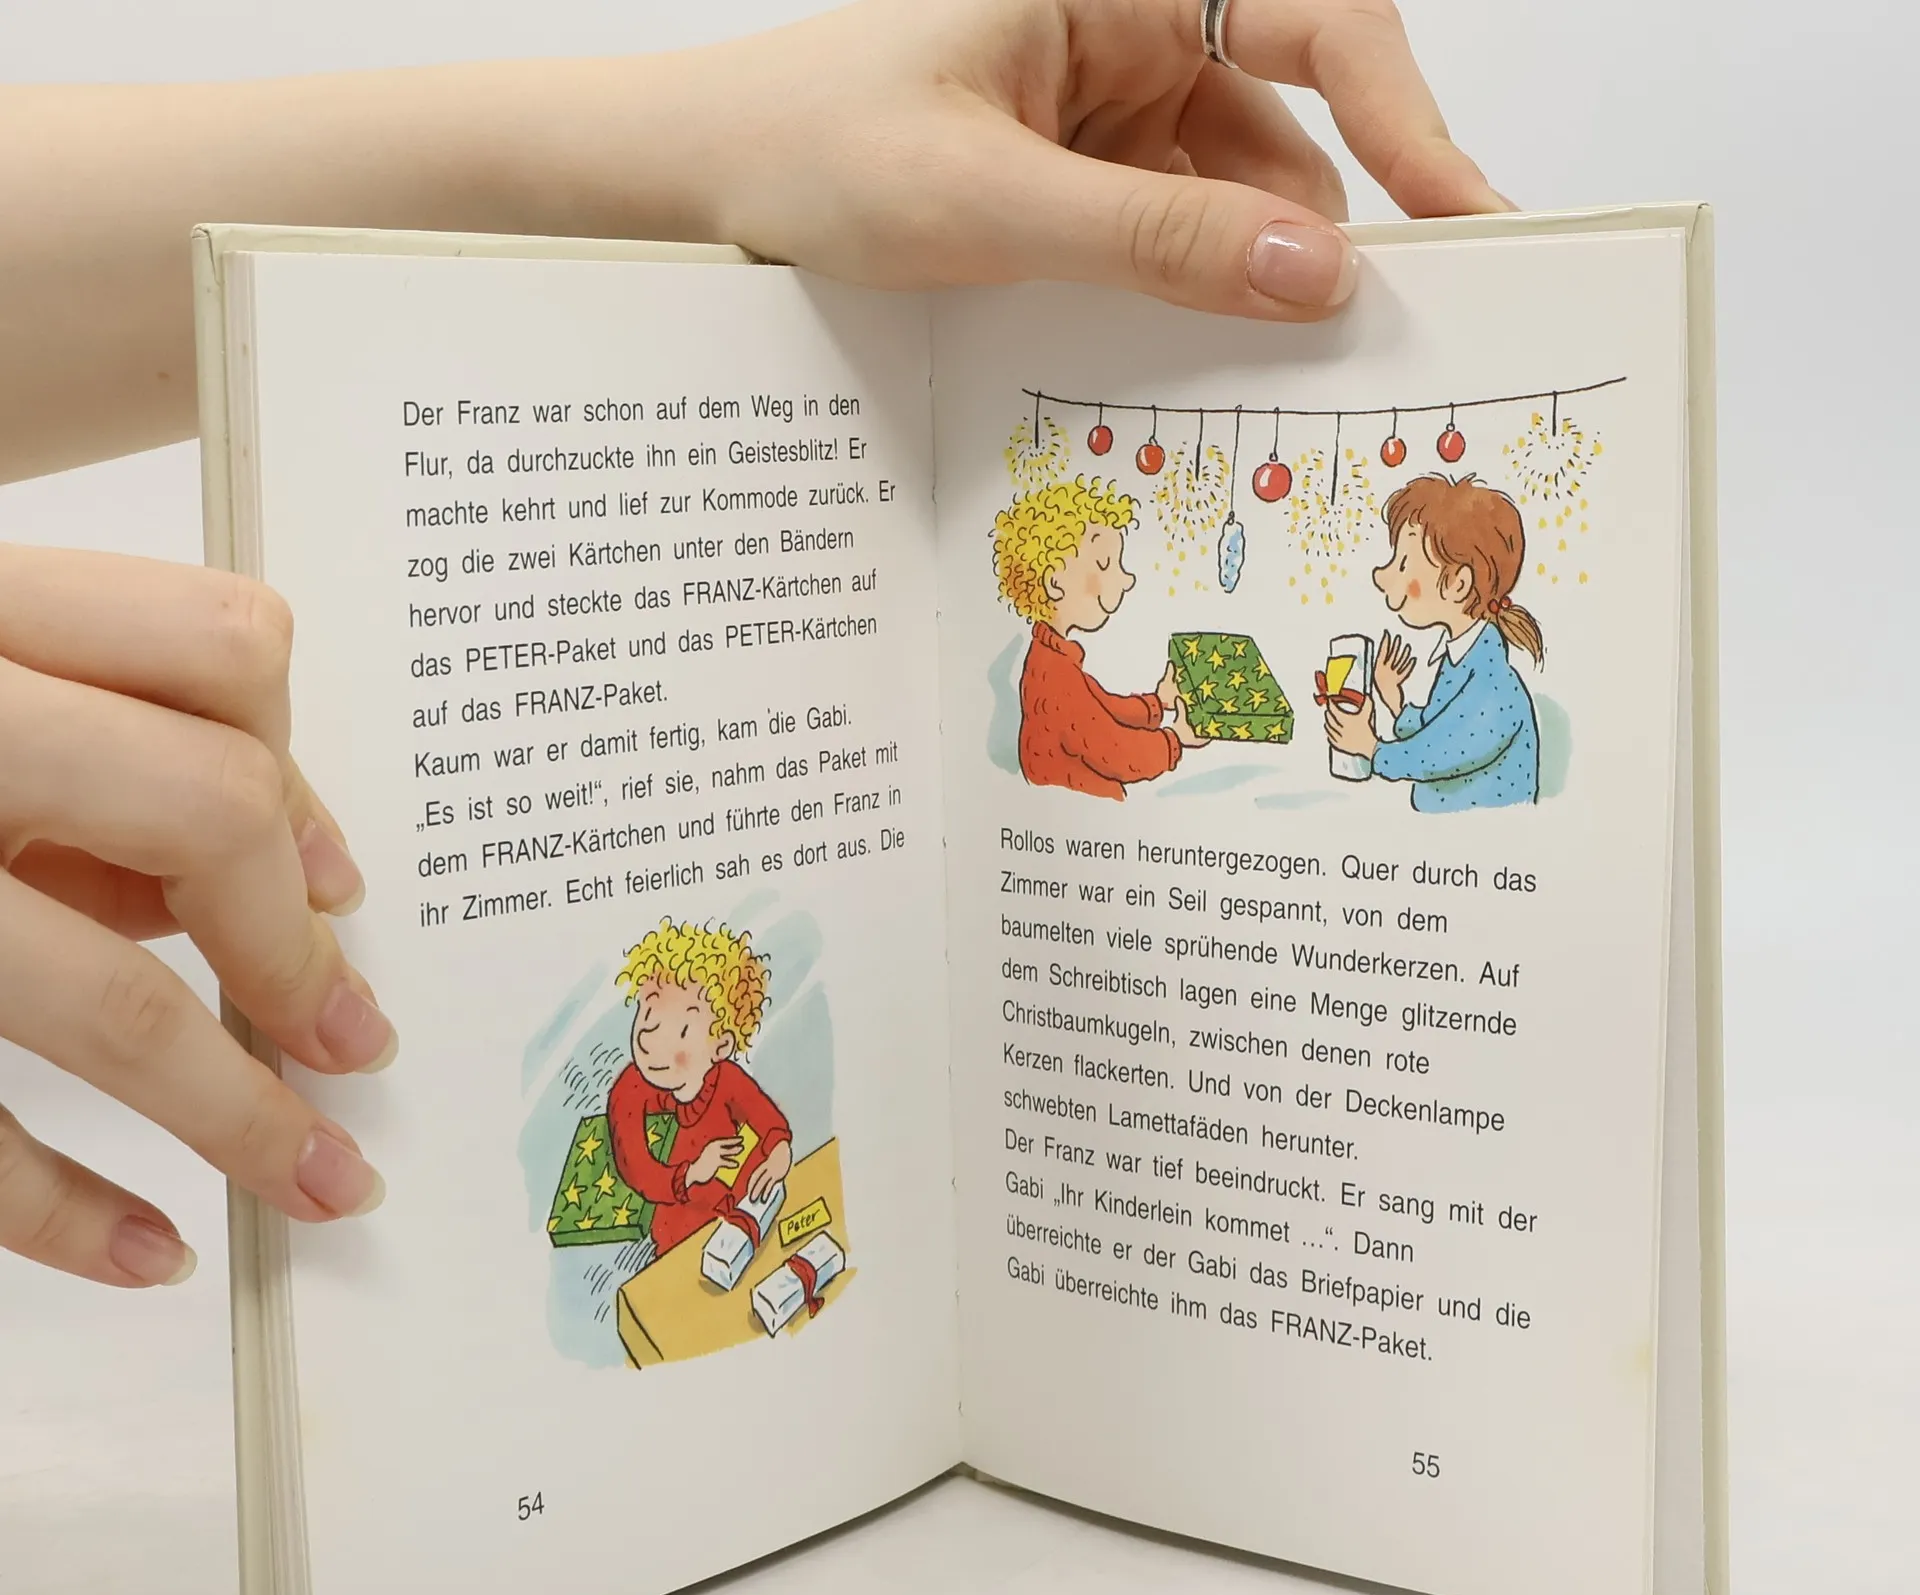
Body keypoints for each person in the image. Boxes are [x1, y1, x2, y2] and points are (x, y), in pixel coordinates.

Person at [0, 0, 1509, 1288]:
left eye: (677, 1021)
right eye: (662, 1021)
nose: (663, 1041)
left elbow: (774, 1121)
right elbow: (1074, 739)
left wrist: (678, 142)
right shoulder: (654, 1098)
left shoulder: (735, 1075)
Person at [1325, 473, 1543, 809]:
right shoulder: (1461, 660)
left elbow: (1439, 753)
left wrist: (1371, 748)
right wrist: (1394, 700)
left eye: (1404, 564)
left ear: (1458, 584)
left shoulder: (1495, 684)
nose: (1382, 576)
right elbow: (1436, 725)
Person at [998, 477, 1207, 797]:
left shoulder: (1051, 657)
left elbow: (1104, 707)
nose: (1125, 579)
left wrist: (1158, 703)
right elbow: (1114, 752)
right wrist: (1175, 739)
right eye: (1104, 564)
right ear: (1055, 582)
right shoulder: (1055, 673)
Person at [606, 923, 793, 1256]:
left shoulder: (728, 1080)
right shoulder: (629, 1089)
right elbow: (636, 1168)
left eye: (679, 1030)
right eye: (648, 1015)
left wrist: (780, 1152)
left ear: (720, 1045)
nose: (649, 1040)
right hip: (675, 1238)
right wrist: (692, 1173)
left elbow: (771, 1125)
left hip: (735, 1221)